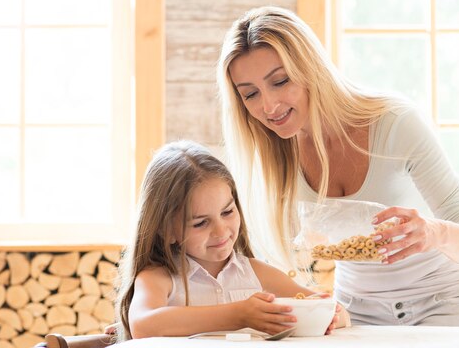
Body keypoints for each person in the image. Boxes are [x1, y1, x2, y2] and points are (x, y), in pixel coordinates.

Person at [217, 6, 459, 326]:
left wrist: (434, 232)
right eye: (250, 94)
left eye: (281, 81)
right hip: (357, 313)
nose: (268, 106)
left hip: (445, 304)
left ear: (310, 68)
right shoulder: (273, 150)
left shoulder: (395, 123)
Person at [114, 140, 347, 340]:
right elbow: (143, 324)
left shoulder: (258, 273)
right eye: (200, 223)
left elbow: (328, 308)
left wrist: (330, 314)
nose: (221, 230)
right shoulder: (160, 277)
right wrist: (238, 315)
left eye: (227, 212)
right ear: (166, 230)